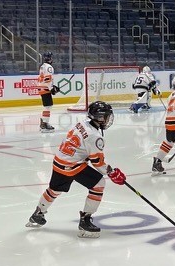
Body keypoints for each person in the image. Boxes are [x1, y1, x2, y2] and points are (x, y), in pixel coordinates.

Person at [25, 101, 125, 237]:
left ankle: (38, 214)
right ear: (100, 118)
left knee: (54, 189)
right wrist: (111, 172)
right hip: (73, 165)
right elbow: (98, 163)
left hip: (59, 160)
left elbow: (83, 148)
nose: (108, 119)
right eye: (106, 116)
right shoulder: (95, 137)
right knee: (99, 184)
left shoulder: (82, 123)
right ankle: (85, 220)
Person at [37, 52, 55, 132]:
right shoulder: (49, 67)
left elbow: (45, 79)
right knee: (48, 106)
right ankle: (44, 124)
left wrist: (53, 87)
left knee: (47, 106)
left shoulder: (42, 66)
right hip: (45, 88)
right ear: (50, 58)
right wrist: (51, 88)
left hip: (41, 87)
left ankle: (44, 122)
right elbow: (48, 79)